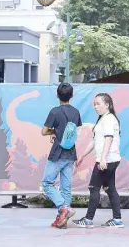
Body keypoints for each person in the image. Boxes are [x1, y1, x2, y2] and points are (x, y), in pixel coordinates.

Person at [72, 93, 124, 228]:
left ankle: (88, 220)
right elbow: (94, 140)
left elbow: (109, 138)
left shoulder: (109, 119)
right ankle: (117, 219)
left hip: (107, 160)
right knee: (110, 188)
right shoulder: (102, 119)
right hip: (109, 159)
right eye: (94, 104)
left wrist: (102, 158)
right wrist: (82, 155)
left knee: (94, 188)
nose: (95, 106)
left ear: (107, 105)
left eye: (98, 103)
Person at [41, 83, 82, 229]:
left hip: (57, 153)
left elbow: (44, 131)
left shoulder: (55, 112)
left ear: (57, 95)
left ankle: (64, 207)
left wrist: (54, 132)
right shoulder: (76, 112)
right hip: (71, 153)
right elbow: (72, 132)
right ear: (71, 96)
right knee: (66, 187)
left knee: (47, 183)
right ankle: (62, 220)